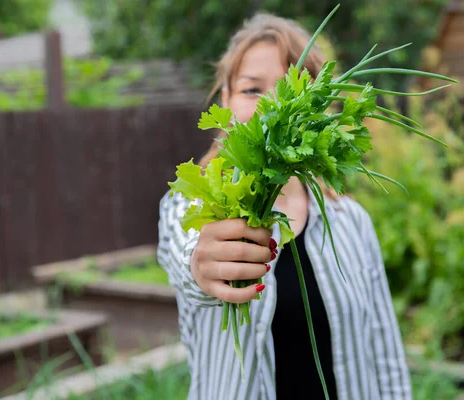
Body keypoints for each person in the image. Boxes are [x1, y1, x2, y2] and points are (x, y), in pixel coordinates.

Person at [157, 13, 412, 400]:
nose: (272, 108)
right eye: (251, 90)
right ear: (224, 100)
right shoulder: (193, 202)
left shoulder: (351, 221)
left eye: (291, 92)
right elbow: (186, 249)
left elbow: (385, 351)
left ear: (319, 109)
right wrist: (203, 264)